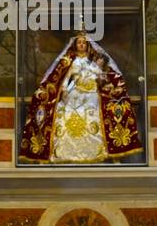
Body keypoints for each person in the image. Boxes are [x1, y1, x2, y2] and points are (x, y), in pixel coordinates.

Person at [19, 32, 141, 164]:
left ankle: (108, 152)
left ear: (88, 45)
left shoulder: (94, 61)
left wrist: (102, 79)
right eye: (79, 42)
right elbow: (65, 77)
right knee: (65, 115)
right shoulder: (70, 61)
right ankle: (62, 152)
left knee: (94, 116)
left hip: (92, 94)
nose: (81, 44)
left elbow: (102, 76)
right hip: (75, 92)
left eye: (84, 42)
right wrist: (64, 88)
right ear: (75, 45)